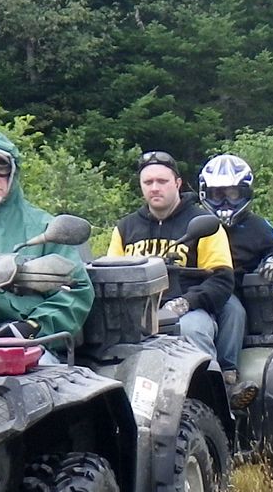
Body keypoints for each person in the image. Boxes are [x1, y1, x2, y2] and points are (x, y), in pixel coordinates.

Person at [107, 150, 255, 407]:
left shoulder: (203, 223)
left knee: (192, 330)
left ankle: (211, 406)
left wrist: (184, 304)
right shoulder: (125, 228)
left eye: (162, 181)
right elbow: (111, 276)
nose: (155, 188)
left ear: (177, 183)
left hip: (189, 310)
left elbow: (221, 281)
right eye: (148, 182)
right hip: (136, 315)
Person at [0, 124, 94, 360]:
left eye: (0, 167)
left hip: (29, 345)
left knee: (40, 386)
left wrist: (32, 327)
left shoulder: (45, 227)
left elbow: (77, 290)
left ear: (12, 172)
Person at [198, 153, 273, 282]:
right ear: (205, 194)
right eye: (217, 195)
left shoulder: (257, 225)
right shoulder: (195, 223)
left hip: (235, 290)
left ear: (245, 194)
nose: (225, 202)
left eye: (233, 194)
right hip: (195, 289)